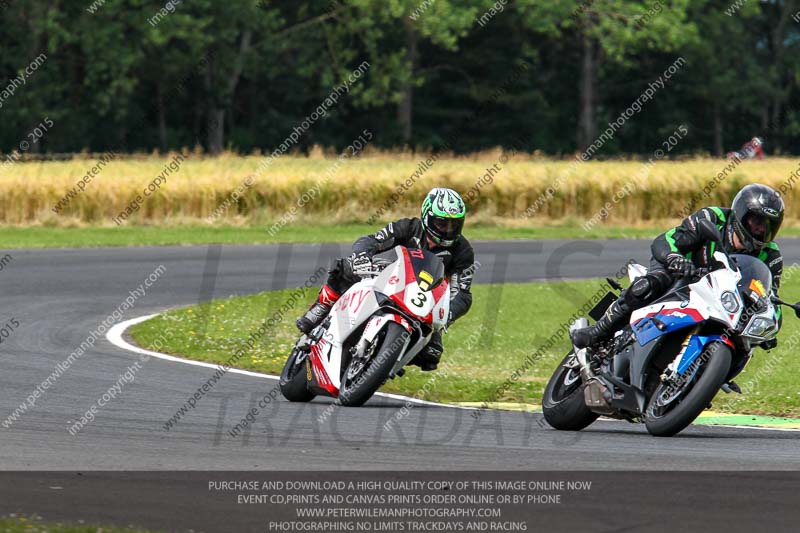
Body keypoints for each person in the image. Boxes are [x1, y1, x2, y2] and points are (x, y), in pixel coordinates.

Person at [570, 183, 784, 355]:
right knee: (650, 284)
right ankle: (597, 333)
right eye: (756, 221)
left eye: (768, 226)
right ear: (741, 213)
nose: (760, 229)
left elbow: (771, 298)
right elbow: (665, 240)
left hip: (720, 301)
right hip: (681, 274)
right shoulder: (712, 217)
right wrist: (674, 258)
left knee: (743, 346)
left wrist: (770, 324)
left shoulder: (771, 257)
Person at [296, 187, 475, 371]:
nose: (448, 230)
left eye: (454, 225)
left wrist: (448, 313)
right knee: (346, 267)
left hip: (425, 302)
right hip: (390, 278)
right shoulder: (409, 227)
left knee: (431, 355)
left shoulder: (463, 251)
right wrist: (362, 256)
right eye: (442, 223)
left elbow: (462, 293)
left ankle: (388, 362)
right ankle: (323, 305)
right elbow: (371, 240)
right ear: (427, 216)